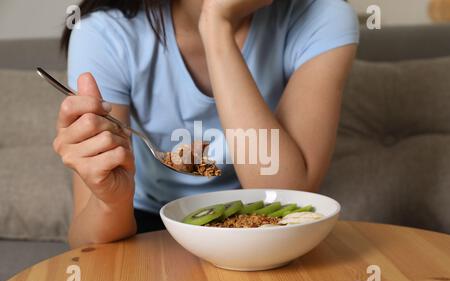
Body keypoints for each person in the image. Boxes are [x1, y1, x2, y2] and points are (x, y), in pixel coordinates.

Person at [55, 0, 359, 248]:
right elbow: (84, 242)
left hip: (257, 215)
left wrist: (216, 25)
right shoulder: (105, 31)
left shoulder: (324, 16)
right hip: (145, 220)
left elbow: (285, 197)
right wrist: (114, 201)